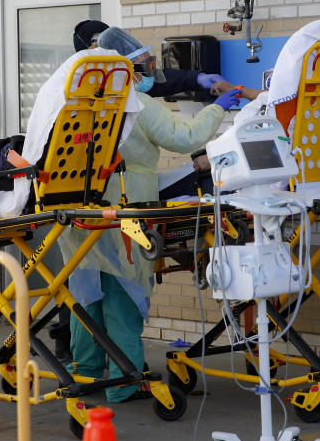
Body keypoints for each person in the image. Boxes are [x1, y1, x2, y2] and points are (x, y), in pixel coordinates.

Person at [57, 27, 241, 403]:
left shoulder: (77, 101)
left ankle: (87, 375)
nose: (147, 75)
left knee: (86, 294)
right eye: (142, 66)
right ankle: (125, 382)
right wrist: (218, 109)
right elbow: (184, 136)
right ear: (125, 68)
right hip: (128, 204)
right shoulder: (135, 104)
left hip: (81, 204)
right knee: (124, 292)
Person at [73, 19, 249, 99]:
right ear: (90, 48)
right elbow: (178, 135)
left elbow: (157, 78)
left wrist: (197, 78)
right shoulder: (78, 87)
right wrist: (217, 110)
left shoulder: (125, 74)